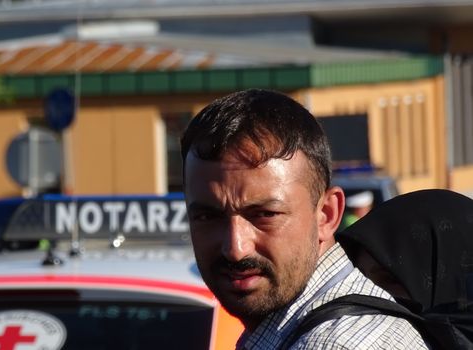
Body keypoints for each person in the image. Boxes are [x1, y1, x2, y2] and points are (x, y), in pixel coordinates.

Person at [181, 89, 427, 349]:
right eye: (207, 216)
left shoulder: (336, 344)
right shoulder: (298, 332)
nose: (235, 248)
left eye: (265, 215)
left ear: (326, 215)